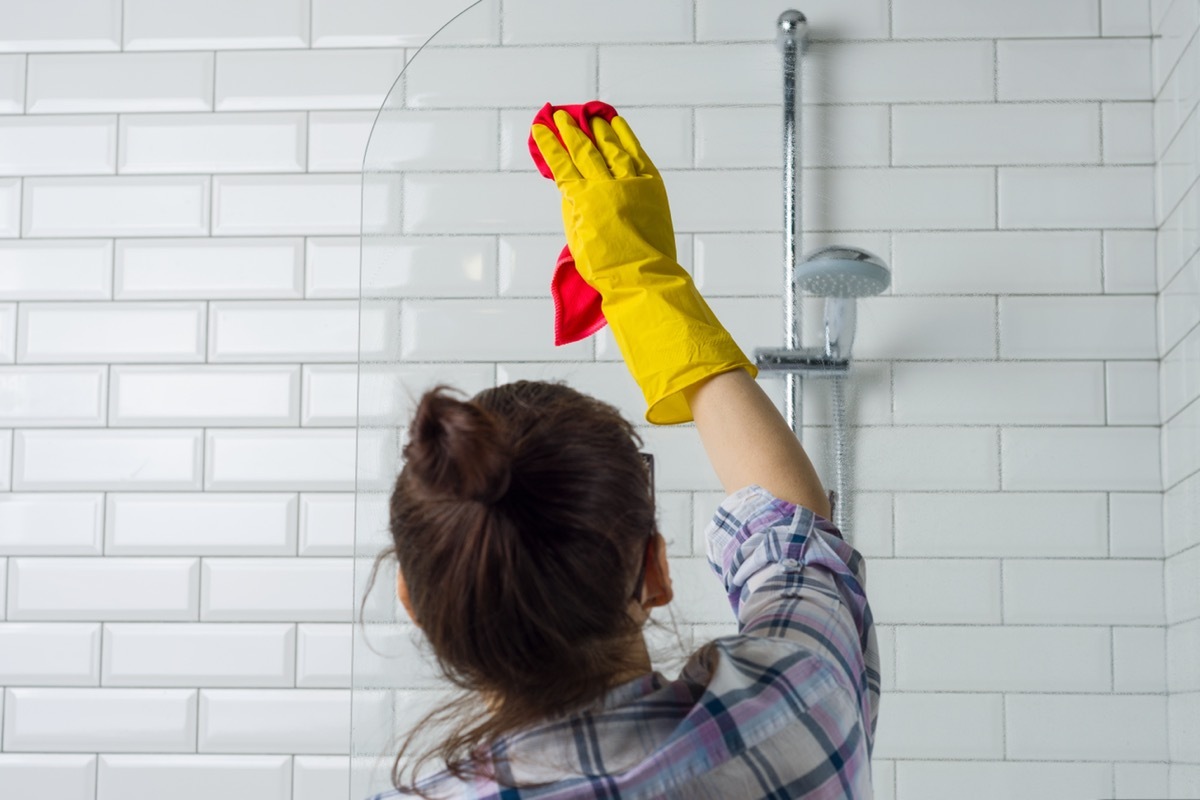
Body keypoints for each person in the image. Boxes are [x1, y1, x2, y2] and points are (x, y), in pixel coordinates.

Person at [364, 109, 880, 799]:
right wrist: (647, 286)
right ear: (655, 570)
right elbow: (795, 535)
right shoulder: (796, 705)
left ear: (417, 605)